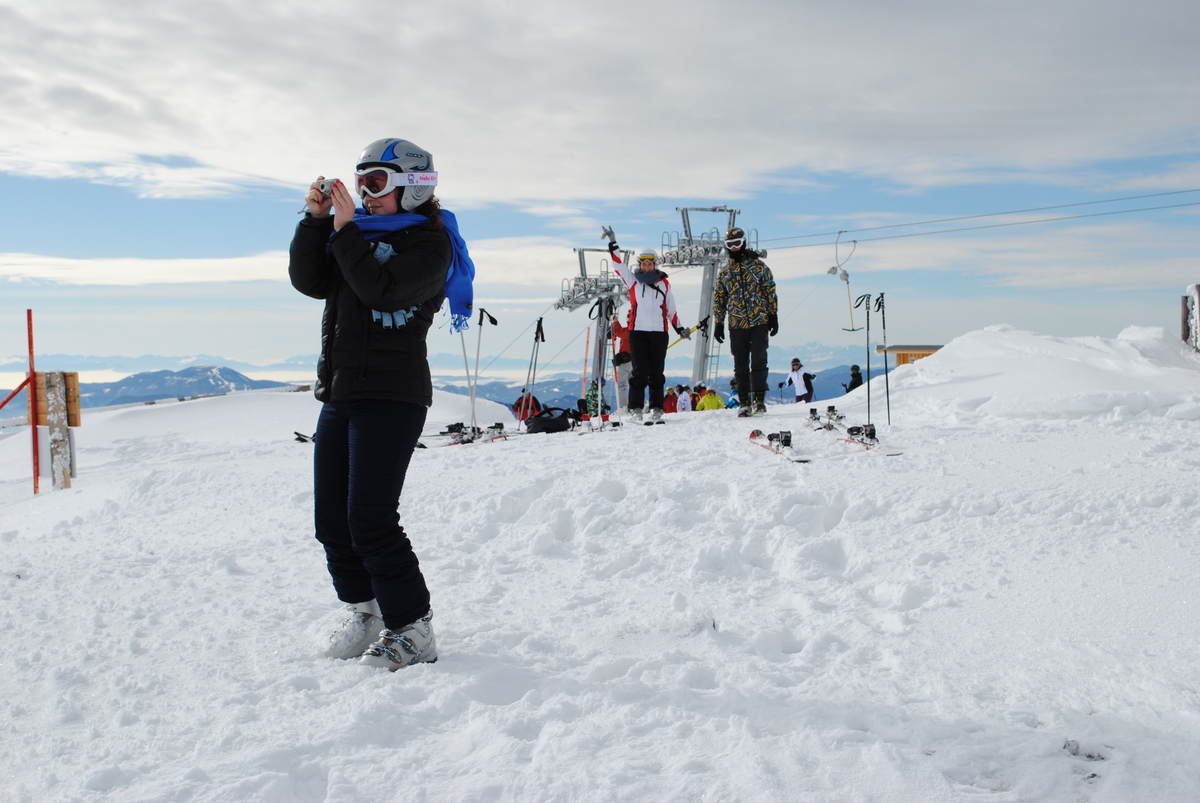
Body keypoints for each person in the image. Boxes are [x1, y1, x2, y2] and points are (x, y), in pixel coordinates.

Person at [289, 137, 475, 671]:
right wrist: (315, 221)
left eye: (376, 183)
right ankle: (367, 613)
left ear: (412, 188)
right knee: (332, 521)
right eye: (359, 183)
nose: (365, 194)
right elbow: (309, 280)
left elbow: (382, 290)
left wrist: (345, 230)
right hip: (343, 392)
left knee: (370, 518)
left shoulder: (430, 244)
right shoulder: (355, 237)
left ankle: (413, 628)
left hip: (392, 396)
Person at [607, 243, 689, 423]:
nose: (646, 266)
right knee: (639, 371)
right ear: (639, 264)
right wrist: (613, 246)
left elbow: (670, 309)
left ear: (655, 264)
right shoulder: (633, 281)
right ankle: (635, 407)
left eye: (650, 263)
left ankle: (656, 407)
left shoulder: (664, 284)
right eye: (643, 263)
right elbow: (618, 265)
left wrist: (680, 328)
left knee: (656, 372)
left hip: (659, 332)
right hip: (638, 332)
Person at [712, 227, 778, 418]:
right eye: (730, 244)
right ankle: (744, 402)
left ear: (744, 243)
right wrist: (718, 322)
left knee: (759, 360)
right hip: (737, 324)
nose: (734, 247)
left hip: (759, 321)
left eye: (737, 243)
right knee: (740, 364)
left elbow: (769, 290)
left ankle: (759, 400)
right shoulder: (725, 272)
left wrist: (772, 314)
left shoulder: (758, 267)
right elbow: (720, 299)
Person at [611, 313, 633, 411]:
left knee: (621, 385)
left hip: (626, 361)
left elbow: (618, 332)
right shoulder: (640, 331)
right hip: (636, 361)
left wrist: (615, 322)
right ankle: (637, 405)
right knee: (634, 384)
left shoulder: (630, 330)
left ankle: (623, 407)